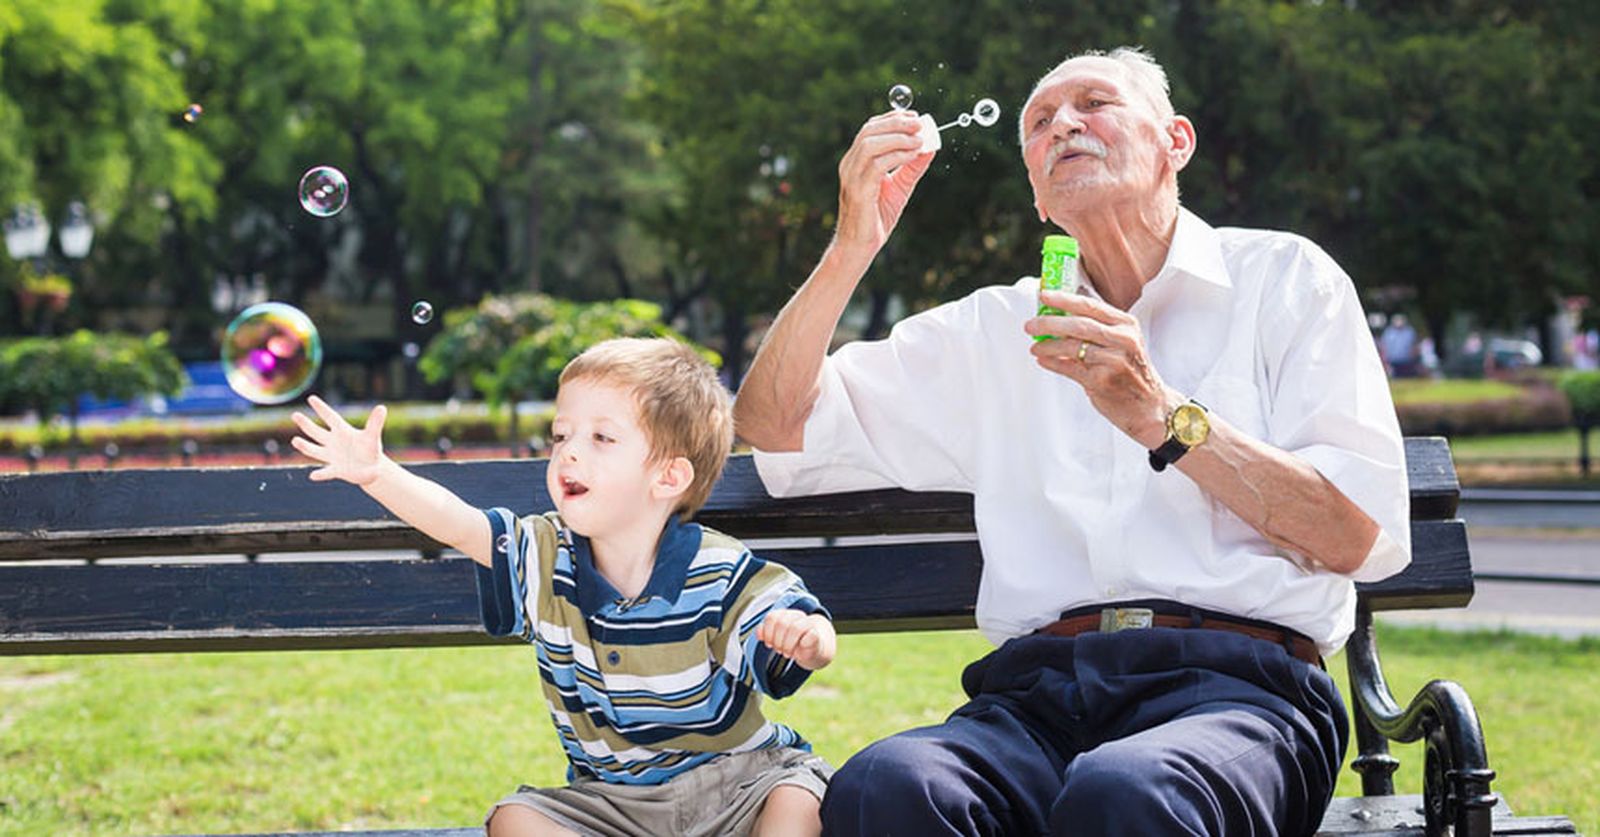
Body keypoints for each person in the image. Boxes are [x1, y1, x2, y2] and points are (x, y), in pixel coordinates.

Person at [733, 47, 1410, 835]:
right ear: (1037, 196)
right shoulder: (992, 330)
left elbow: (1356, 532)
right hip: (1035, 696)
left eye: (1095, 103)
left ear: (1175, 142)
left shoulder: (1287, 281)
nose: (1062, 124)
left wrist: (1162, 416)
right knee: (887, 784)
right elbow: (773, 425)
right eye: (1038, 122)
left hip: (1241, 690)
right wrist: (855, 242)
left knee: (1127, 793)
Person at [291, 337, 837, 837]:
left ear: (668, 478)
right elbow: (461, 523)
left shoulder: (716, 569)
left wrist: (809, 638)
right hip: (612, 804)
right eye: (560, 435)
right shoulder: (545, 556)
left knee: (797, 799)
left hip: (734, 787)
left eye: (602, 437)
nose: (569, 451)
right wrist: (378, 472)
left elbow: (791, 620)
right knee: (515, 819)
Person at [1380, 313, 1420, 377]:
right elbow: (1383, 346)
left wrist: (1414, 358)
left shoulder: (1409, 332)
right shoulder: (1388, 332)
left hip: (1407, 361)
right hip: (1392, 361)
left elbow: (1415, 346)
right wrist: (1384, 360)